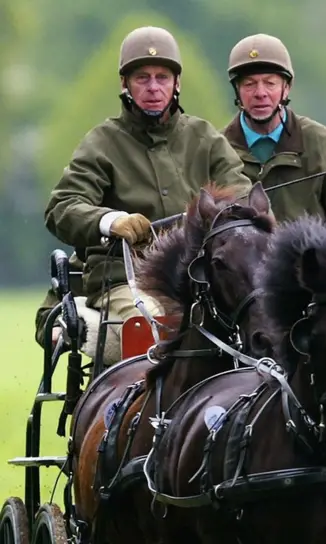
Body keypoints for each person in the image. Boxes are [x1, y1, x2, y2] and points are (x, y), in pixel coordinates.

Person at [41, 25, 253, 365]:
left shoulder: (206, 138)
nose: (153, 88)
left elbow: (243, 200)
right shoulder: (103, 142)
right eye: (142, 78)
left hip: (200, 279)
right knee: (155, 322)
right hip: (125, 281)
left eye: (162, 77)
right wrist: (111, 221)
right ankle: (136, 414)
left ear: (176, 83)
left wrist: (214, 220)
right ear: (124, 84)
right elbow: (62, 207)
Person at [223, 33, 326, 264]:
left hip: (314, 279)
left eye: (270, 83)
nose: (260, 93)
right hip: (240, 287)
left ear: (286, 88)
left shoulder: (323, 144)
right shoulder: (218, 150)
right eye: (249, 84)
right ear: (237, 90)